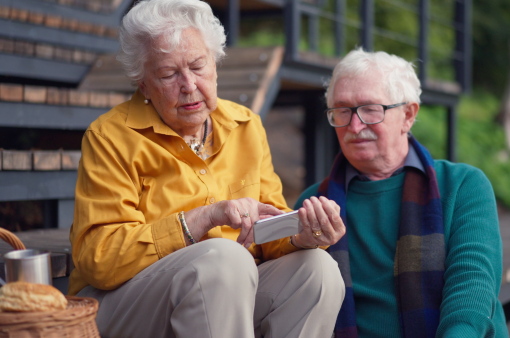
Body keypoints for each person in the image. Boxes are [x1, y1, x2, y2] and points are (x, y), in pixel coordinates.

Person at [69, 0, 346, 337]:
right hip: (124, 302)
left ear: (215, 65)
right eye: (169, 74)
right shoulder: (110, 136)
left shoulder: (246, 126)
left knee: (317, 270)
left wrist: (302, 235)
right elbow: (99, 258)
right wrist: (202, 218)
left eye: (198, 66)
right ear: (143, 85)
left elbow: (266, 232)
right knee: (223, 259)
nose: (188, 85)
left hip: (227, 291)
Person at [294, 48, 509, 337]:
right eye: (342, 110)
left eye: (371, 109)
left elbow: (473, 287)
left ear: (408, 115)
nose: (355, 126)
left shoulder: (463, 186)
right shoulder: (313, 203)